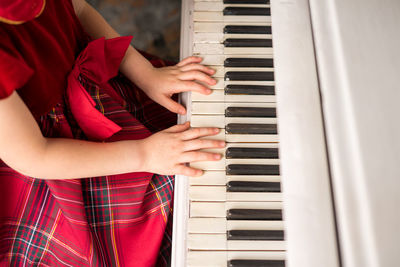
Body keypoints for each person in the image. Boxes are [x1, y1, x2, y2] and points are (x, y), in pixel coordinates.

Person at [0, 0, 224, 266]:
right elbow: (35, 156)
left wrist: (146, 74)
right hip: (63, 159)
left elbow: (79, 10)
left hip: (99, 90)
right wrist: (145, 153)